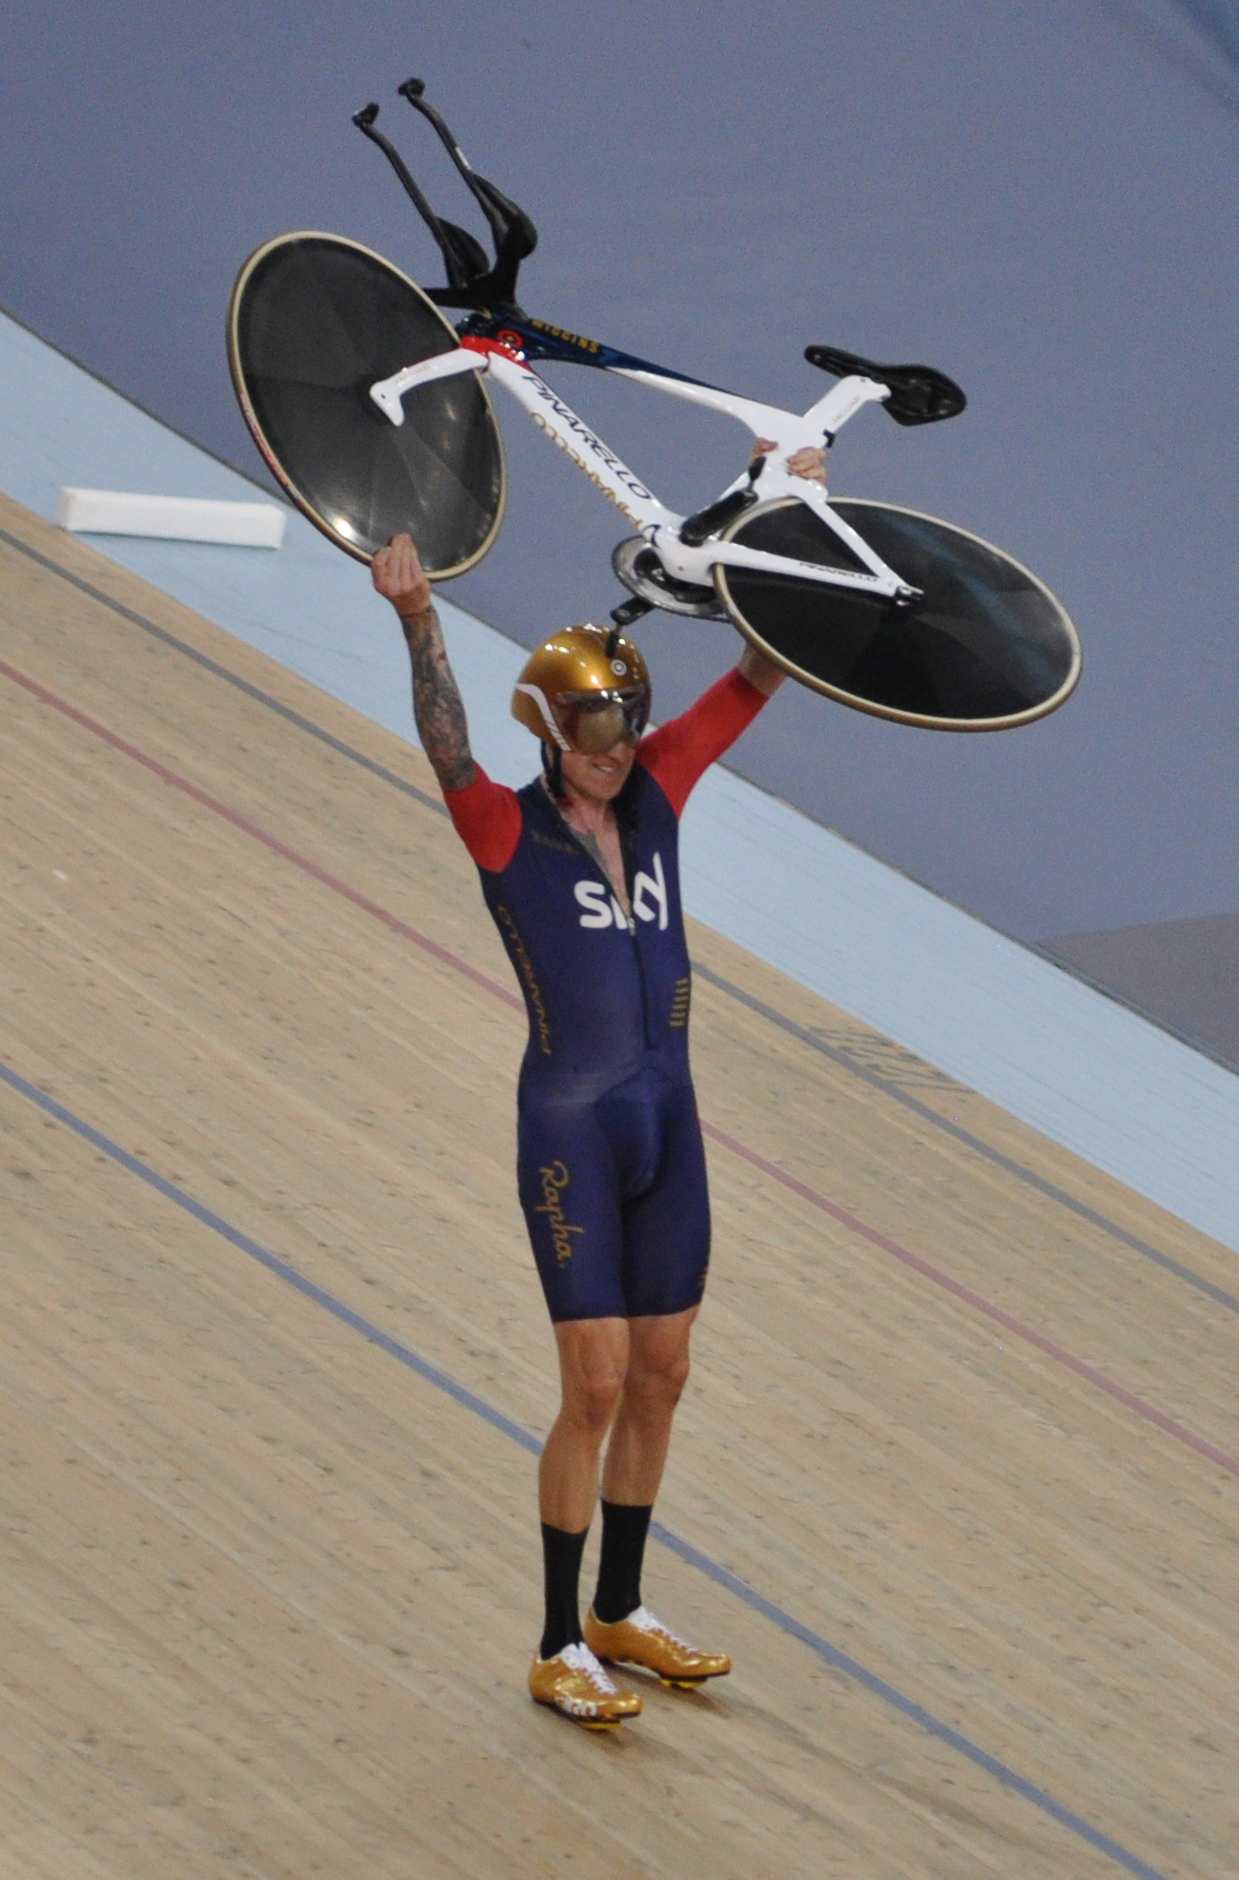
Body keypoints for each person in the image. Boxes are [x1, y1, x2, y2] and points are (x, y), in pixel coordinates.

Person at [373, 483, 797, 1728]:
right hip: (569, 1130)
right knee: (597, 1385)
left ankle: (621, 1607)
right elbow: (446, 742)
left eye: (628, 732)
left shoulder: (662, 786)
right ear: (551, 729)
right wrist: (419, 623)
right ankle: (558, 1638)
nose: (619, 752)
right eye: (598, 735)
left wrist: (788, 515)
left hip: (672, 1125)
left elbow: (761, 671)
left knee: (665, 1372)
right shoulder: (503, 827)